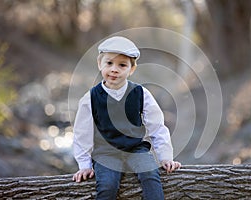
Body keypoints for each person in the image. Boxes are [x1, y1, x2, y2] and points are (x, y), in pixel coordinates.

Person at [72, 36, 181, 199]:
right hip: (105, 153)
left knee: (150, 176)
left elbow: (157, 126)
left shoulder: (140, 93)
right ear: (99, 64)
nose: (114, 69)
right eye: (109, 63)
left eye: (122, 65)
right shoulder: (91, 98)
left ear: (131, 69)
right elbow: (82, 134)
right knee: (107, 186)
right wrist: (84, 165)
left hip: (135, 149)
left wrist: (166, 157)